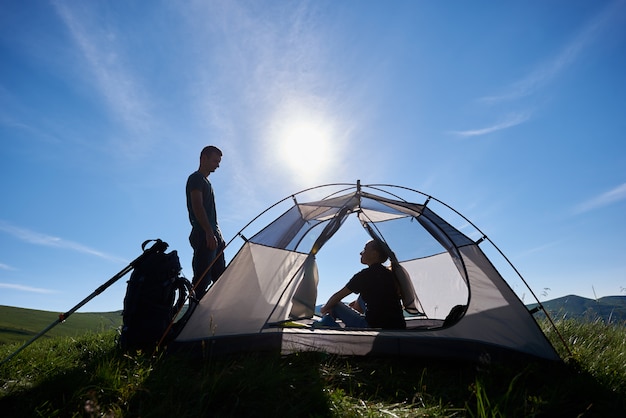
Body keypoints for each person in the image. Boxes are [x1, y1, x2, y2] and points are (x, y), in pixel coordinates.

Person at [319, 240, 406, 329]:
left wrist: (324, 309)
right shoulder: (390, 274)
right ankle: (352, 316)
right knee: (362, 297)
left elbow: (337, 297)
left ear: (374, 254)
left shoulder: (365, 276)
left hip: (374, 327)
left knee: (334, 305)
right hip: (399, 326)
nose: (361, 253)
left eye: (364, 249)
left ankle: (333, 328)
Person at [186, 145, 225, 299]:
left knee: (220, 279)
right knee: (201, 281)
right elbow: (197, 205)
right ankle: (190, 320)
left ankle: (212, 318)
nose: (218, 165)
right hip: (203, 234)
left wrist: (219, 236)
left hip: (214, 235)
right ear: (204, 158)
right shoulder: (196, 178)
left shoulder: (206, 182)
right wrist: (209, 232)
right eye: (215, 161)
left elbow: (210, 214)